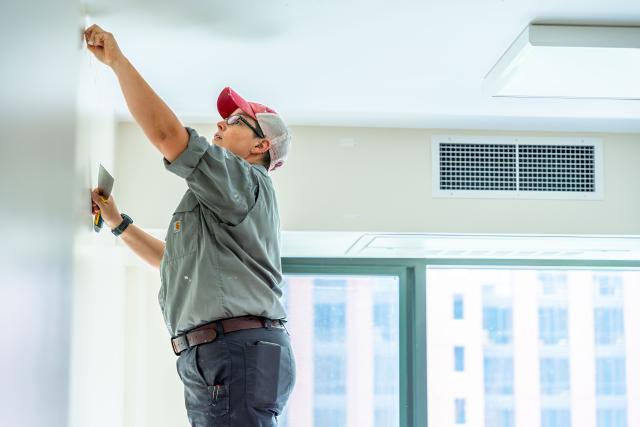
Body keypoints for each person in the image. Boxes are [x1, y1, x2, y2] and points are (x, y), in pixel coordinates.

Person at [85, 24, 295, 427]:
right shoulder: (220, 197)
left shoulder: (243, 181)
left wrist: (117, 61)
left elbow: (168, 136)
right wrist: (118, 223)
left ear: (260, 146)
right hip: (226, 353)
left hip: (234, 351)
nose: (219, 125)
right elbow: (174, 261)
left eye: (235, 120)